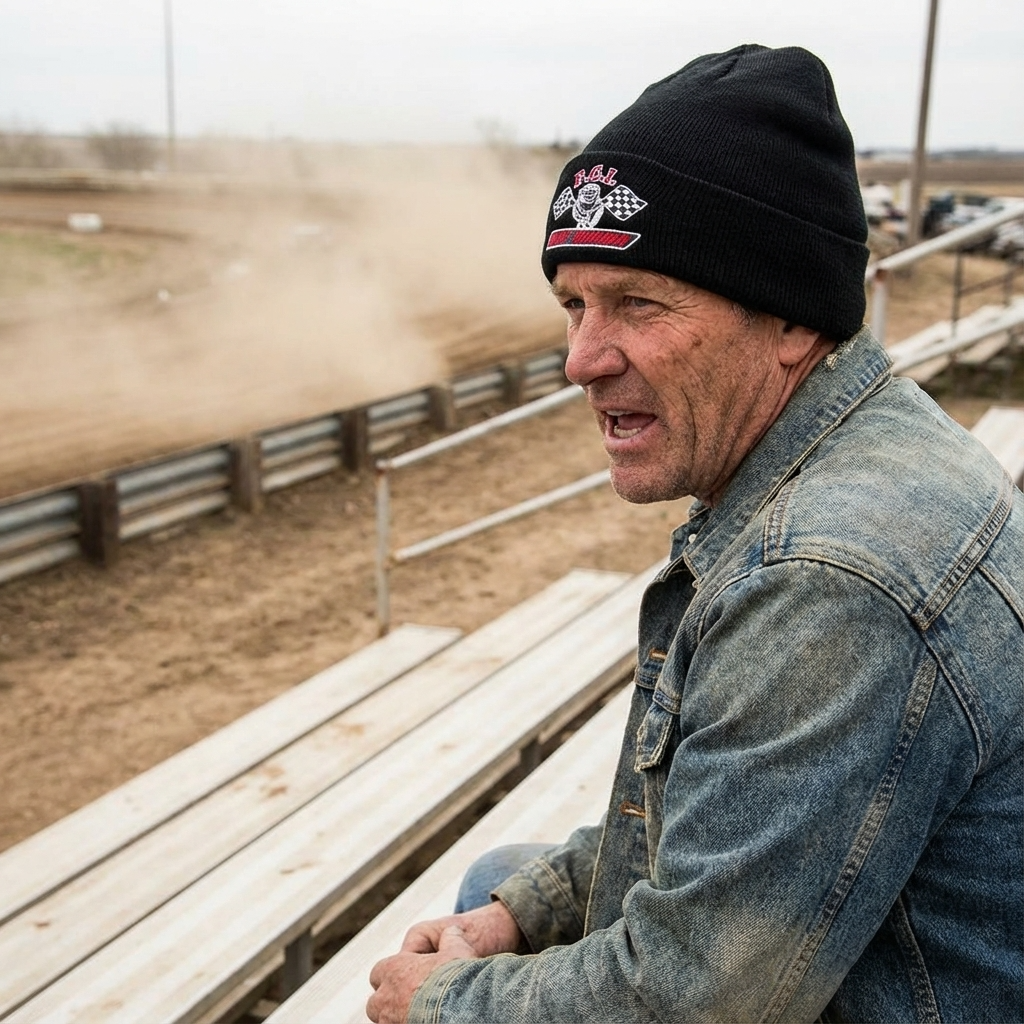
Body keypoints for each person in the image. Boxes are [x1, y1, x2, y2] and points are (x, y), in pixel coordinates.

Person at [367, 44, 1023, 1023]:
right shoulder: (854, 450)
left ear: (790, 318)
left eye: (636, 304)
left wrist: (447, 1003)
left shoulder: (827, 580)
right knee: (500, 883)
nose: (580, 361)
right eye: (574, 306)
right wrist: (519, 916)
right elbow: (712, 827)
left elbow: (695, 1001)